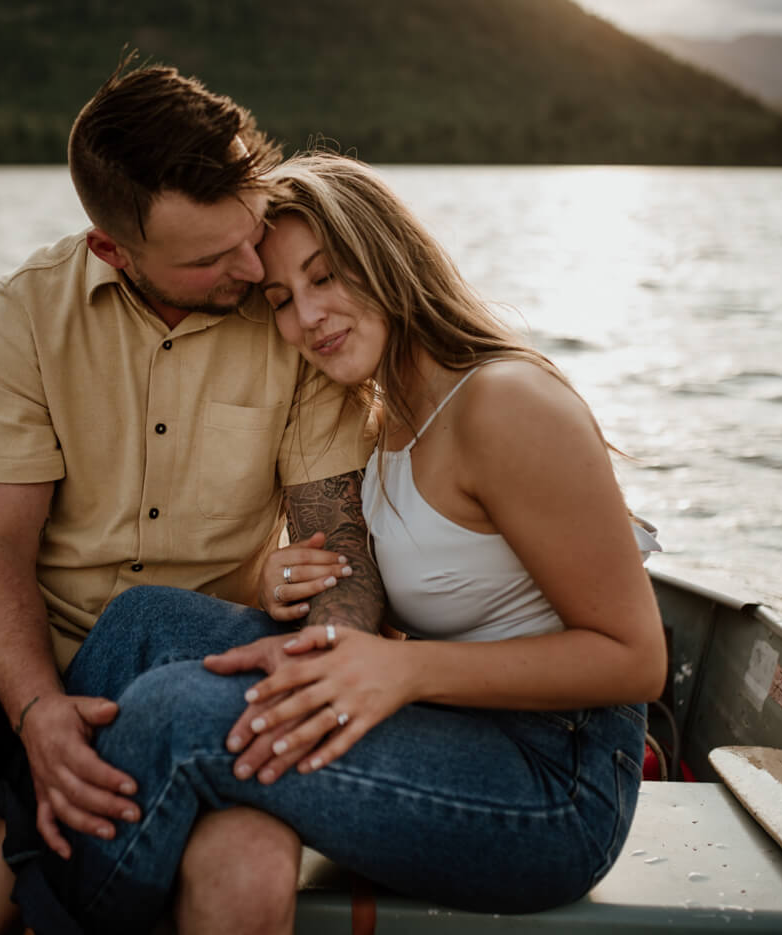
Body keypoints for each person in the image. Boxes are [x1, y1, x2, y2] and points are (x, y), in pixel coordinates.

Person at [0, 65, 385, 935]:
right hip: (12, 654)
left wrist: (326, 669)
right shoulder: (30, 310)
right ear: (113, 250)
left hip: (199, 672)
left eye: (248, 232)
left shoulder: (291, 305)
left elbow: (336, 550)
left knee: (247, 876)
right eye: (210, 258)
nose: (252, 266)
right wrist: (37, 711)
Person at [38, 152, 669, 934]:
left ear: (386, 253)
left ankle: (39, 911)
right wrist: (305, 614)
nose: (306, 318)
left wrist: (402, 668)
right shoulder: (386, 413)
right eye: (280, 298)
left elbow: (636, 660)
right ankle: (22, 843)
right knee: (143, 625)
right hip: (463, 718)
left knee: (176, 715)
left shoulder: (506, 406)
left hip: (556, 785)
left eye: (327, 275)